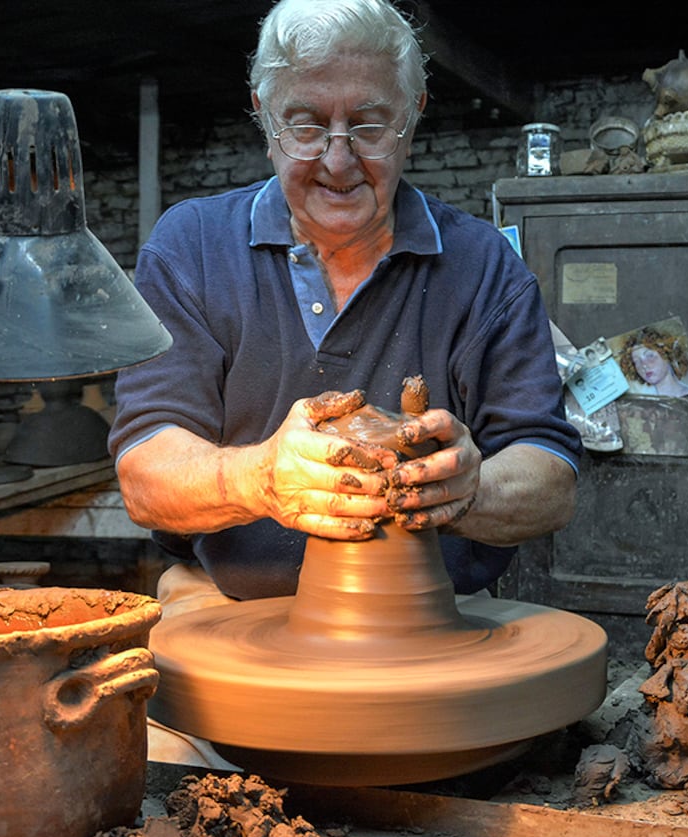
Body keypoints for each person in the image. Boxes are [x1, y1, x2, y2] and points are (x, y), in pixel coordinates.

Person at [109, 0, 581, 603]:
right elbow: (145, 474)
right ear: (264, 116)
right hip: (229, 603)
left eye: (368, 125)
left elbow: (552, 478)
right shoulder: (191, 249)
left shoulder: (485, 266)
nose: (337, 160)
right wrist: (260, 479)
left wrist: (468, 491)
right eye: (305, 125)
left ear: (412, 116)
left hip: (436, 612)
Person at [617, 326, 688, 398]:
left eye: (650, 356)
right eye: (636, 361)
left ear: (667, 354)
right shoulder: (641, 401)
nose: (644, 365)